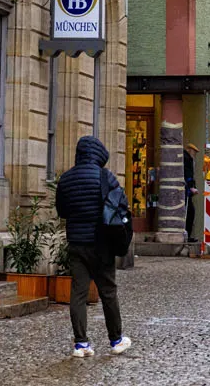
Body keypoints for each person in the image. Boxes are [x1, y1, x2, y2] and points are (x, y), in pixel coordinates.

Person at [54, 135, 131, 358]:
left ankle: (81, 344)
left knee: (78, 293)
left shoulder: (66, 179)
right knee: (108, 291)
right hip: (101, 244)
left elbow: (62, 211)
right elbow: (120, 206)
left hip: (77, 243)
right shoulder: (105, 177)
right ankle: (116, 340)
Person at [183, 143, 199, 241]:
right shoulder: (187, 159)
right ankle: (187, 235)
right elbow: (188, 173)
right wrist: (191, 187)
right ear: (189, 150)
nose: (195, 154)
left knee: (189, 212)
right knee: (189, 213)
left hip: (187, 189)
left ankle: (188, 235)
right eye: (194, 152)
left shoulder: (187, 158)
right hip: (186, 190)